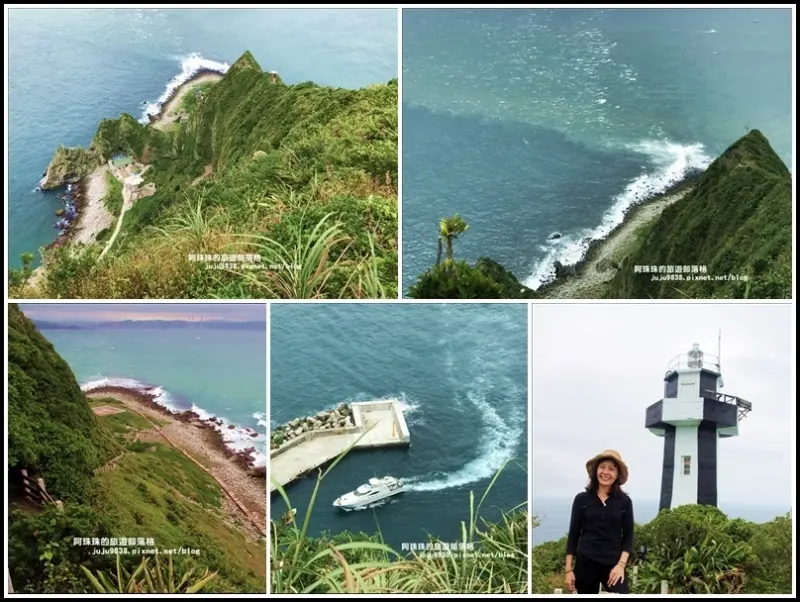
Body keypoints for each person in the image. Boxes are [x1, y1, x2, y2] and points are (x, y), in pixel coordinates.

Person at [564, 449, 634, 594]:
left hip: (613, 564)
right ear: (596, 470)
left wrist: (621, 565)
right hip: (585, 563)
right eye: (602, 467)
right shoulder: (582, 499)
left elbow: (628, 537)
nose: (606, 472)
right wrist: (568, 570)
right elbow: (573, 535)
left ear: (617, 475)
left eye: (612, 469)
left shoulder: (624, 502)